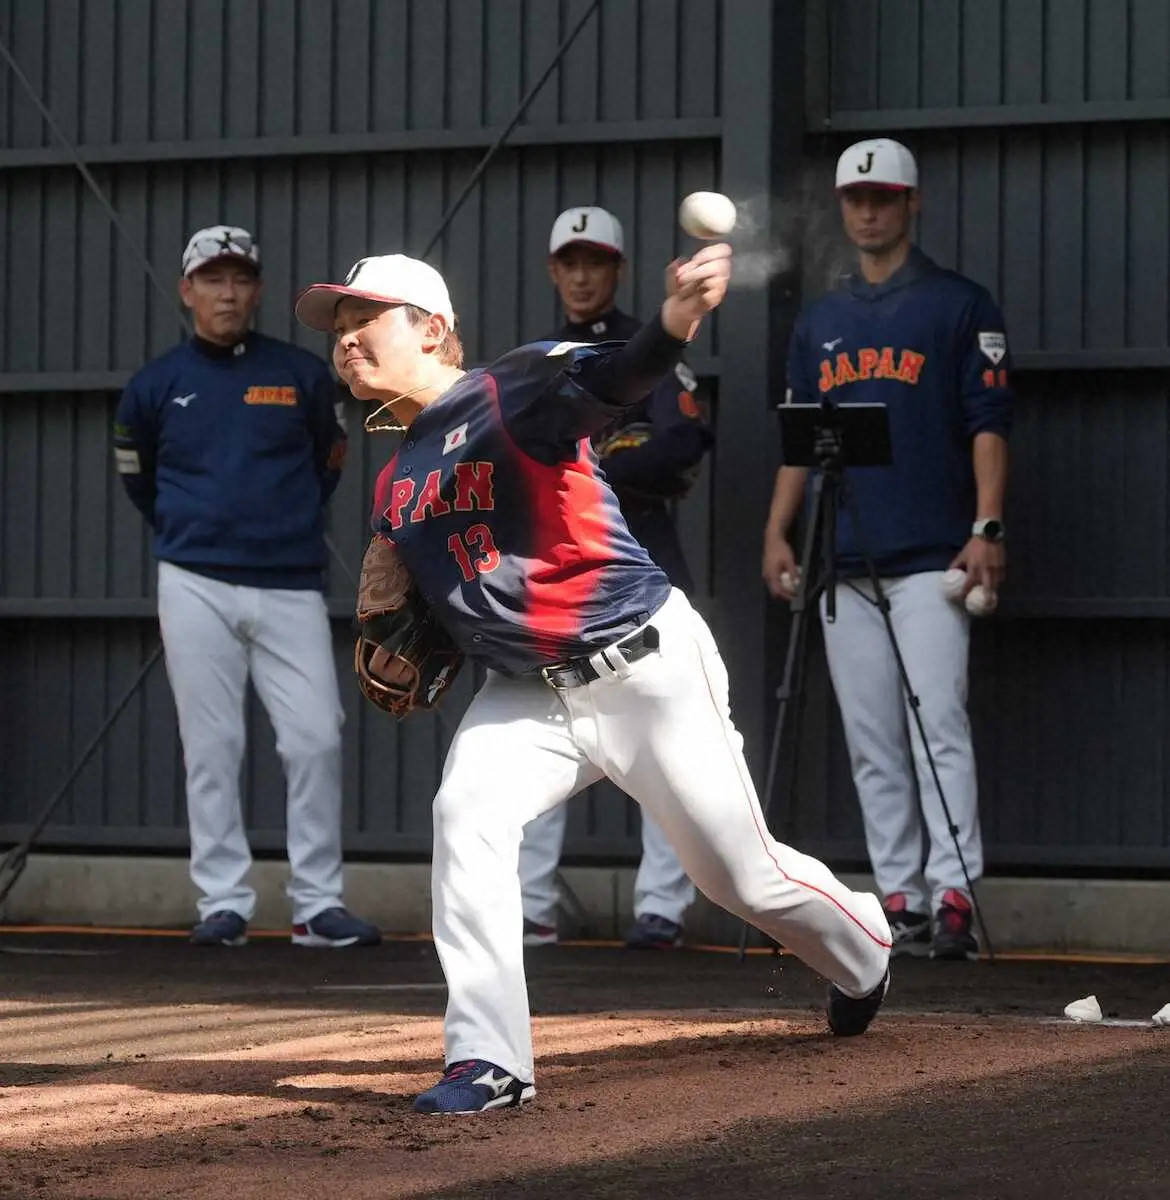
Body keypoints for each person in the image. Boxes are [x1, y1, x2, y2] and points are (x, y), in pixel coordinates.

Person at [293, 242, 892, 1115]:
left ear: (433, 331)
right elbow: (454, 612)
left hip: (643, 665)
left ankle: (864, 947)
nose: (345, 339)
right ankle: (488, 1061)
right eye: (337, 327)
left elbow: (621, 377)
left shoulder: (514, 386)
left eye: (364, 318)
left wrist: (677, 319)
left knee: (737, 877)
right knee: (466, 814)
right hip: (528, 690)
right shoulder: (396, 482)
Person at [761, 139, 1013, 962]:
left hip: (935, 552)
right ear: (843, 206)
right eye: (855, 198)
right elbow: (800, 439)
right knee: (872, 739)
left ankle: (954, 897)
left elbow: (989, 427)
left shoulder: (958, 304)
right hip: (844, 560)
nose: (867, 210)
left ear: (912, 203)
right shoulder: (823, 319)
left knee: (937, 725)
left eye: (883, 197)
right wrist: (779, 530)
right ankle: (899, 894)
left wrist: (988, 528)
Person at [113, 224, 381, 950]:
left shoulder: (301, 375)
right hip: (193, 579)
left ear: (257, 289)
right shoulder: (155, 386)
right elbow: (137, 477)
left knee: (316, 737)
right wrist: (191, 530)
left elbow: (330, 461)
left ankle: (318, 904)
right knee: (211, 744)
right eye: (212, 278)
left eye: (239, 278)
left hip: (289, 580)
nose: (226, 291)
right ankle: (223, 902)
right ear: (187, 289)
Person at [516, 205, 712, 951]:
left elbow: (682, 443)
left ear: (617, 269)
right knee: (539, 732)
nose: (581, 273)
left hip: (648, 566)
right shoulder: (535, 357)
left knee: (665, 741)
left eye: (594, 260)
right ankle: (531, 905)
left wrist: (588, 469)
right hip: (558, 576)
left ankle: (660, 907)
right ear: (552, 268)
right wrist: (610, 461)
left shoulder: (651, 346)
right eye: (569, 260)